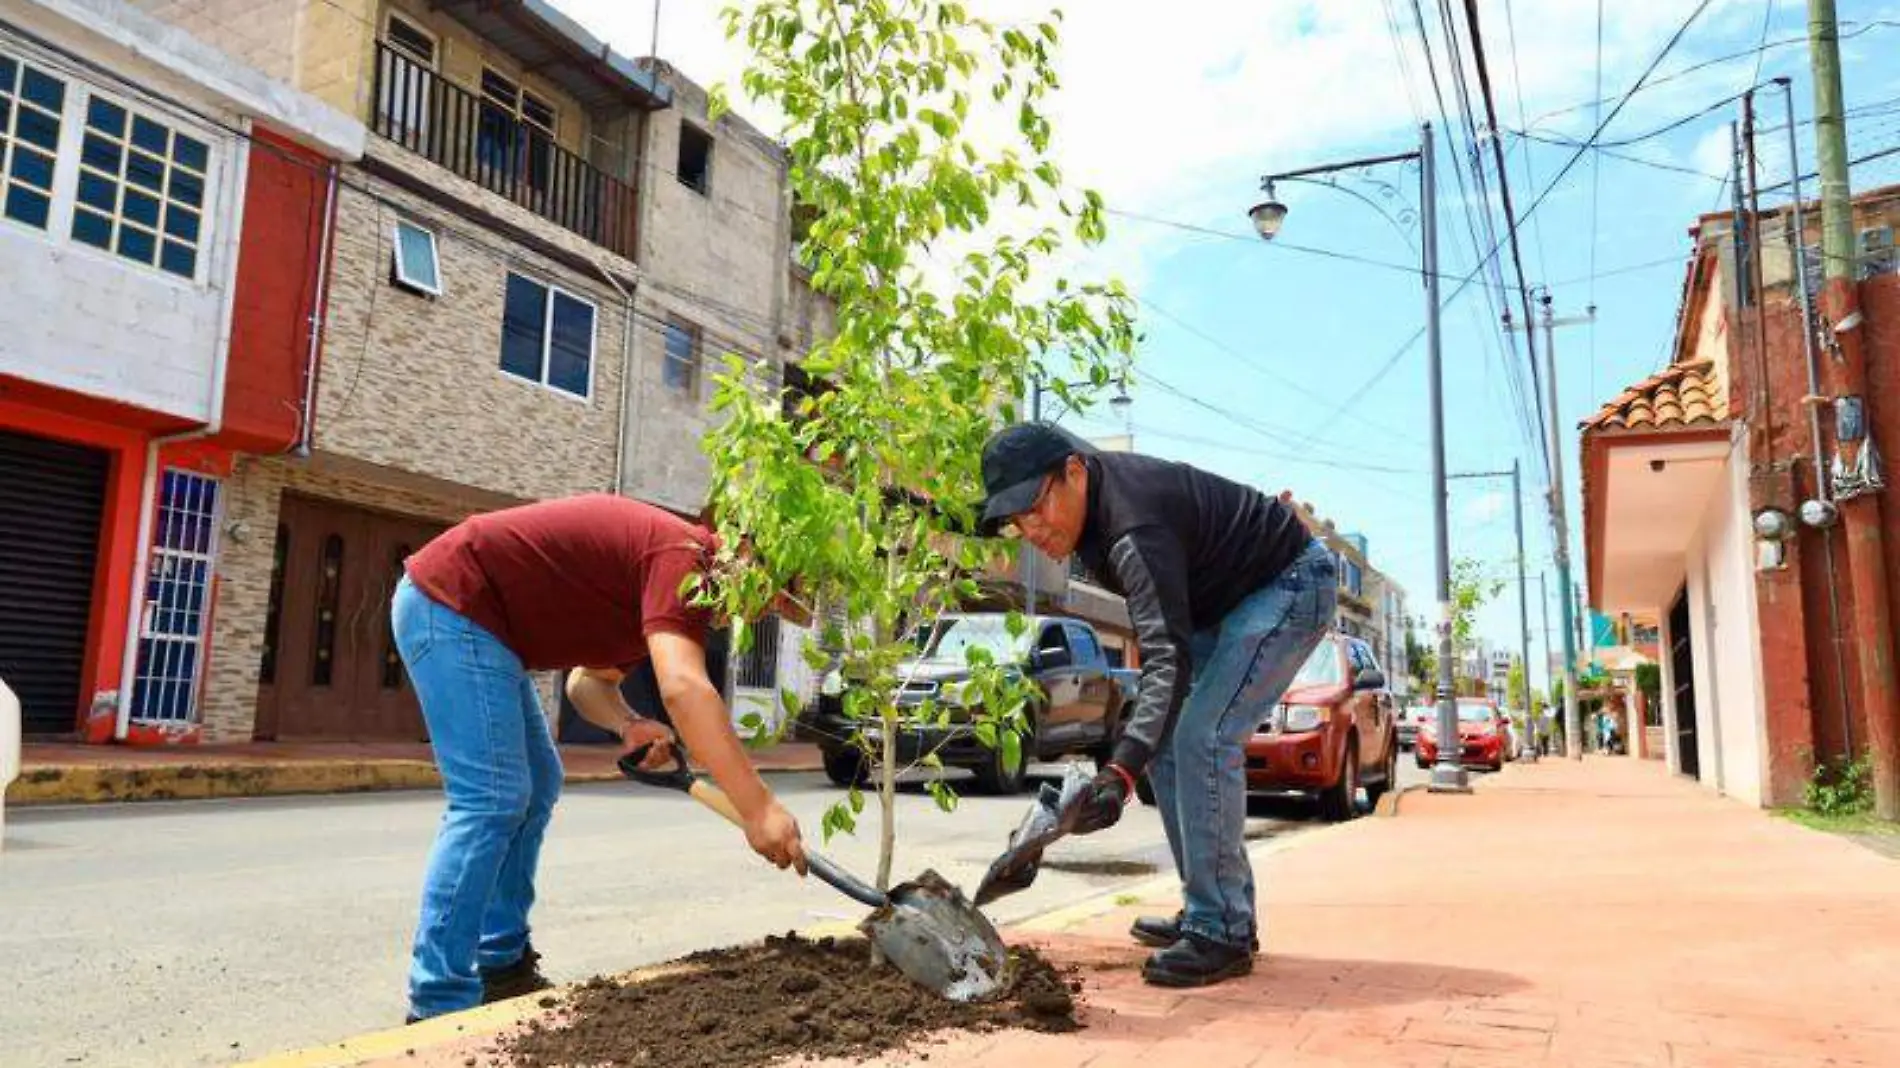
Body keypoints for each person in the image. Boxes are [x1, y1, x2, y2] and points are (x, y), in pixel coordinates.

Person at [392, 493, 810, 1022]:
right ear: (746, 556)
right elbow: (683, 687)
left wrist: (628, 723)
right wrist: (759, 808)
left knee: (539, 781)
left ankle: (500, 964)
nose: (765, 611)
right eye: (773, 597)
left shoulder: (668, 592)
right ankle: (438, 1001)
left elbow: (586, 685)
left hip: (488, 629)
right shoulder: (686, 560)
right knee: (493, 797)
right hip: (452, 603)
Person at [975, 423, 1337, 987]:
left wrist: (1119, 772)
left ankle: (1222, 930)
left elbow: (1165, 655)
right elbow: (1169, 652)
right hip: (1220, 605)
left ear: (1073, 472)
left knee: (1203, 736)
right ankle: (1209, 910)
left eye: (1035, 508)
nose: (1032, 530)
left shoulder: (1133, 526)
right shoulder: (1087, 501)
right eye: (1015, 521)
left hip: (1287, 584)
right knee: (1166, 743)